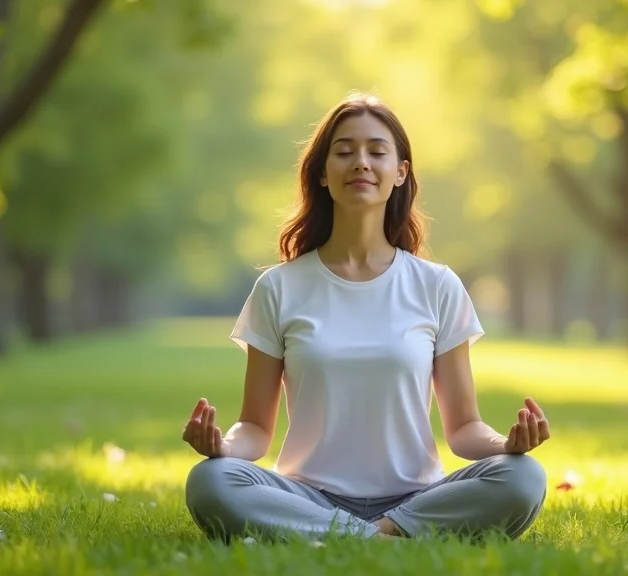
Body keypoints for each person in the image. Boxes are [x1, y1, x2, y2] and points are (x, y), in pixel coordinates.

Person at [182, 92, 551, 543]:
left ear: (400, 172)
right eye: (344, 152)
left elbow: (463, 429)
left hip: (416, 497)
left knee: (523, 477)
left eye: (377, 152)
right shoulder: (279, 287)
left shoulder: (437, 285)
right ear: (322, 173)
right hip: (307, 495)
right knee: (211, 480)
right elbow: (256, 428)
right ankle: (385, 540)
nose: (360, 162)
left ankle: (362, 533)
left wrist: (504, 446)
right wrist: (223, 447)